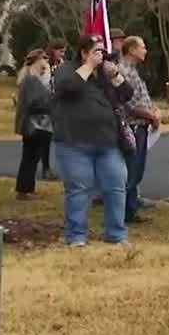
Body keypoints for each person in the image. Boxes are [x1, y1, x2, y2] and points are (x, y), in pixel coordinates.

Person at [51, 36, 135, 246]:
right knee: (79, 189)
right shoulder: (67, 70)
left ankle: (116, 234)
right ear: (84, 52)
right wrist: (89, 65)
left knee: (116, 186)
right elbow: (67, 87)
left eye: (103, 51)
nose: (101, 55)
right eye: (97, 51)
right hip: (74, 142)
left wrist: (114, 74)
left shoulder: (105, 74)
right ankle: (76, 236)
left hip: (108, 143)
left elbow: (127, 94)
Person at [119, 36, 161, 224]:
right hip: (132, 127)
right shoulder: (124, 72)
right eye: (142, 47)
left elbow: (142, 98)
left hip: (142, 126)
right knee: (131, 170)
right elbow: (129, 105)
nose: (145, 50)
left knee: (136, 171)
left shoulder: (133, 71)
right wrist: (151, 116)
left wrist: (154, 111)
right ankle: (126, 212)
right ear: (131, 49)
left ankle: (131, 207)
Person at [14, 49, 53, 200]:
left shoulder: (32, 79)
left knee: (32, 157)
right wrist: (50, 102)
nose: (46, 62)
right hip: (33, 124)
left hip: (35, 123)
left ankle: (27, 188)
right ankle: (24, 190)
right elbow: (34, 103)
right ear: (37, 60)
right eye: (44, 58)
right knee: (30, 157)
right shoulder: (31, 80)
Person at [39, 38, 68, 181]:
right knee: (45, 137)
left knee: (62, 137)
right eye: (60, 51)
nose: (62, 54)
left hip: (60, 105)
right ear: (53, 50)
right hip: (46, 105)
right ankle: (45, 168)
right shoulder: (45, 65)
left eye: (64, 51)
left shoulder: (63, 65)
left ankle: (66, 167)